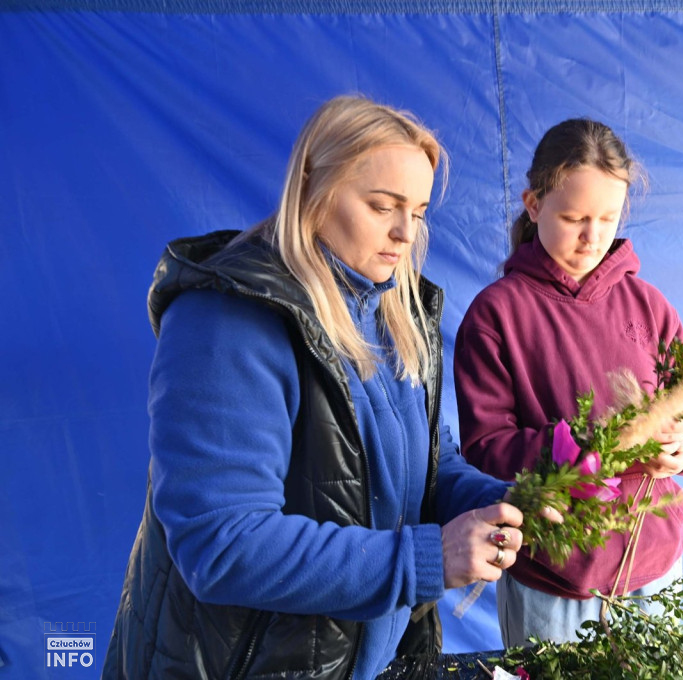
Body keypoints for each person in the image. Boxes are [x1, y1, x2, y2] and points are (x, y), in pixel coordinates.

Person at [103, 96, 553, 680]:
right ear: (313, 189)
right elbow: (223, 544)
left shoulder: (398, 312)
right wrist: (430, 557)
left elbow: (431, 471)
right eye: (382, 205)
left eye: (416, 212)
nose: (403, 232)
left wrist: (506, 501)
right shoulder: (228, 320)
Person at [453, 118, 683, 647]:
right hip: (554, 576)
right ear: (533, 205)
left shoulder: (651, 307)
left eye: (607, 218)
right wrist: (579, 449)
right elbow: (483, 451)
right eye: (573, 218)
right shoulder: (496, 315)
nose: (592, 237)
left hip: (657, 566)